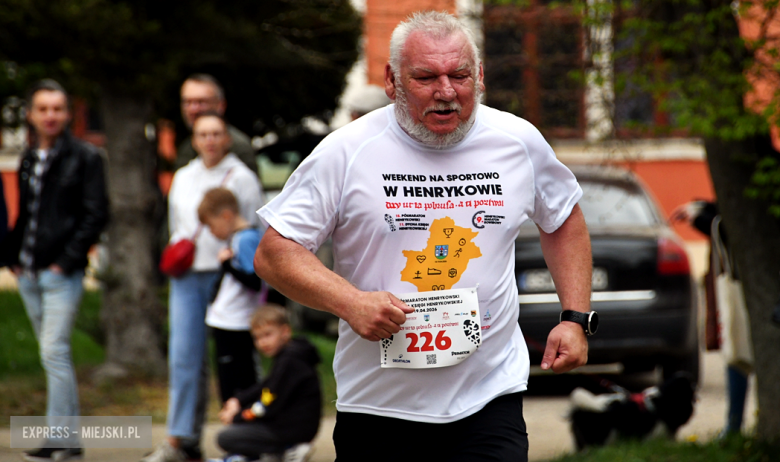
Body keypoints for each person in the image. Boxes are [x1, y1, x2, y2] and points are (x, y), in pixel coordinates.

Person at [254, 11, 593, 462]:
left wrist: (575, 316)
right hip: (378, 406)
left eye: (459, 75)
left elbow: (564, 220)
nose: (446, 92)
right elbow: (275, 254)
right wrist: (349, 302)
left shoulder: (517, 141)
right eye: (426, 77)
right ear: (392, 81)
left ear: (480, 77)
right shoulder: (347, 151)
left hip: (489, 397)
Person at [143, 112, 264, 462]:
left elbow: (253, 230)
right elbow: (177, 225)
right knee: (184, 357)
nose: (210, 140)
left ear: (226, 138)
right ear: (194, 140)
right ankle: (181, 439)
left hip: (228, 279)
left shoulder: (243, 178)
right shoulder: (182, 176)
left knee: (236, 362)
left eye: (216, 133)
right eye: (203, 134)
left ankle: (247, 439)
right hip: (187, 277)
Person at [2, 79, 109, 462]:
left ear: (68, 114)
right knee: (53, 353)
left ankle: (60, 439)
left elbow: (96, 214)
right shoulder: (30, 158)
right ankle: (68, 439)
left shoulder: (86, 157)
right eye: (43, 108)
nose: (51, 115)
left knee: (54, 352)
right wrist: (12, 256)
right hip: (28, 271)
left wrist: (66, 260)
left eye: (58, 108)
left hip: (61, 273)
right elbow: (27, 215)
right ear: (30, 114)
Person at [671, 201, 753, 435]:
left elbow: (727, 229)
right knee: (736, 350)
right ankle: (734, 424)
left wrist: (699, 219)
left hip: (741, 287)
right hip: (741, 287)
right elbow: (722, 212)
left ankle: (734, 425)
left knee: (737, 350)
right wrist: (700, 206)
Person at [212, 305, 321, 462]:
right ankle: (277, 451)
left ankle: (287, 450)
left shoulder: (290, 361)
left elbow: (267, 403)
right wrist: (238, 400)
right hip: (290, 426)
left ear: (285, 332)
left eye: (267, 335)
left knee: (226, 437)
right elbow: (266, 386)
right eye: (257, 337)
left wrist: (237, 417)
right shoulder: (290, 356)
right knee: (238, 432)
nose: (262, 342)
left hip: (292, 430)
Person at [197, 187, 263, 404]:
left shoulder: (245, 239)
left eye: (210, 225)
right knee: (228, 382)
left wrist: (227, 265)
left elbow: (254, 281)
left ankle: (242, 428)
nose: (211, 231)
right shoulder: (237, 238)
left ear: (226, 215)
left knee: (240, 383)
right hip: (226, 320)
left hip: (236, 323)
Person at [175, 74, 257, 175]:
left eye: (201, 102)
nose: (193, 109)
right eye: (188, 102)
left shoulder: (238, 147)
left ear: (221, 105)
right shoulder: (186, 149)